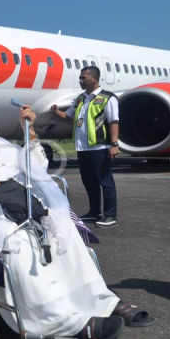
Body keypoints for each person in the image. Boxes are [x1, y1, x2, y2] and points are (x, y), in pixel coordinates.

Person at [0, 101, 156, 339]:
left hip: (22, 210)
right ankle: (60, 318)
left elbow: (38, 166)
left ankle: (102, 300)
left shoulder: (2, 147)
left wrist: (29, 133)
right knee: (20, 241)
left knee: (63, 233)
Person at [49, 66, 120, 228]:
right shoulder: (81, 98)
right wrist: (56, 111)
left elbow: (114, 122)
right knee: (89, 182)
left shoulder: (108, 98)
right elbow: (68, 117)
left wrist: (114, 144)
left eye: (84, 78)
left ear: (94, 78)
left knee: (105, 182)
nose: (81, 80)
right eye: (80, 78)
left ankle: (110, 215)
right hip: (83, 148)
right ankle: (94, 212)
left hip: (100, 147)